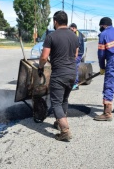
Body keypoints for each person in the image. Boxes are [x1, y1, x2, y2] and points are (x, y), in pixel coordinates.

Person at [38, 10, 79, 141]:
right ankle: (59, 122)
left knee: (55, 102)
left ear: (55, 21)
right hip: (72, 72)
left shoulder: (51, 36)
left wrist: (40, 67)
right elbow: (76, 55)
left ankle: (65, 131)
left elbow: (44, 57)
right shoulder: (74, 36)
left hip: (59, 74)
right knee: (64, 100)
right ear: (66, 21)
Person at [69, 23, 85, 90]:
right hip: (77, 53)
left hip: (78, 54)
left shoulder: (78, 35)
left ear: (74, 28)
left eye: (70, 29)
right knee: (75, 67)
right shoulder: (77, 33)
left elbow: (77, 46)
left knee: (74, 68)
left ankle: (75, 84)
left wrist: (75, 55)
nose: (70, 31)